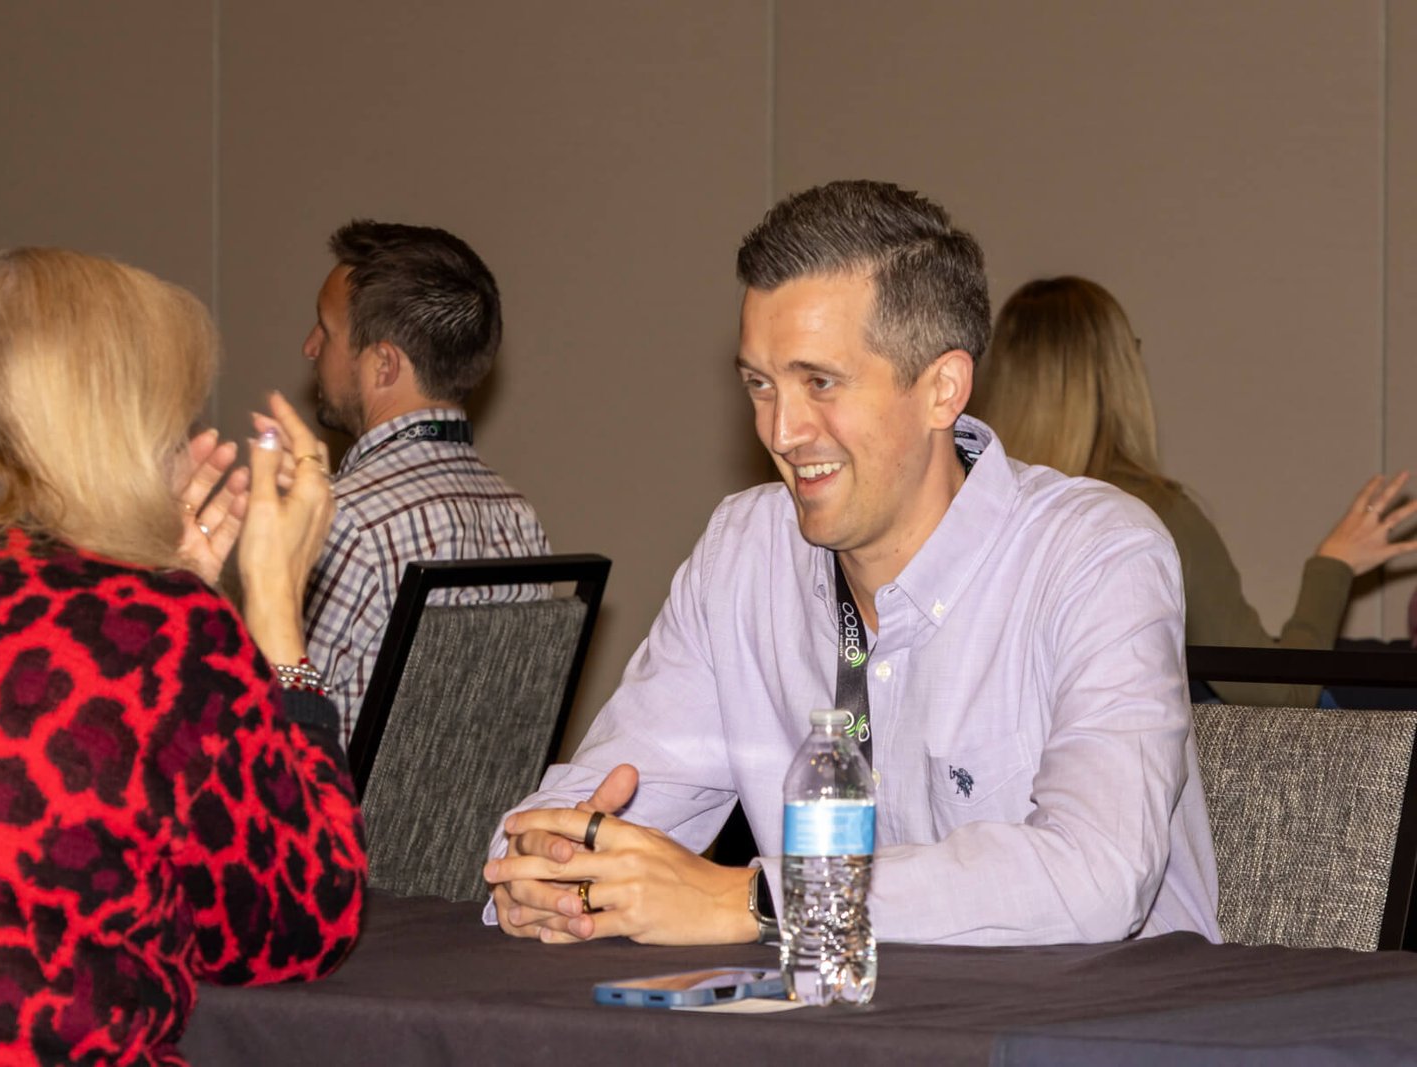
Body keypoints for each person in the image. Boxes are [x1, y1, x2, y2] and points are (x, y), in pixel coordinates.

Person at [482, 181, 1220, 948]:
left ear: (942, 389)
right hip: (841, 1010)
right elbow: (583, 815)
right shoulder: (744, 555)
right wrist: (549, 867)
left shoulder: (1096, 557)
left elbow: (1097, 875)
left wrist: (760, 899)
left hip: (1101, 1013)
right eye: (760, 384)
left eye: (820, 383)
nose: (782, 430)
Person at [0, 248, 366, 1065]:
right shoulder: (157, 633)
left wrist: (167, 595)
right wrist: (277, 621)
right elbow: (301, 924)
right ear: (119, 427)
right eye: (173, 420)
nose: (183, 447)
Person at [970, 276, 1417, 708]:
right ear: (1120, 376)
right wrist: (1334, 565)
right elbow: (1278, 694)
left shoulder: (966, 507)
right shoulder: (1148, 514)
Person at [301, 221, 551, 745]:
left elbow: (273, 730)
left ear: (383, 365)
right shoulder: (519, 519)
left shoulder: (345, 521)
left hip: (337, 803)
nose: (310, 347)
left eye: (325, 329)